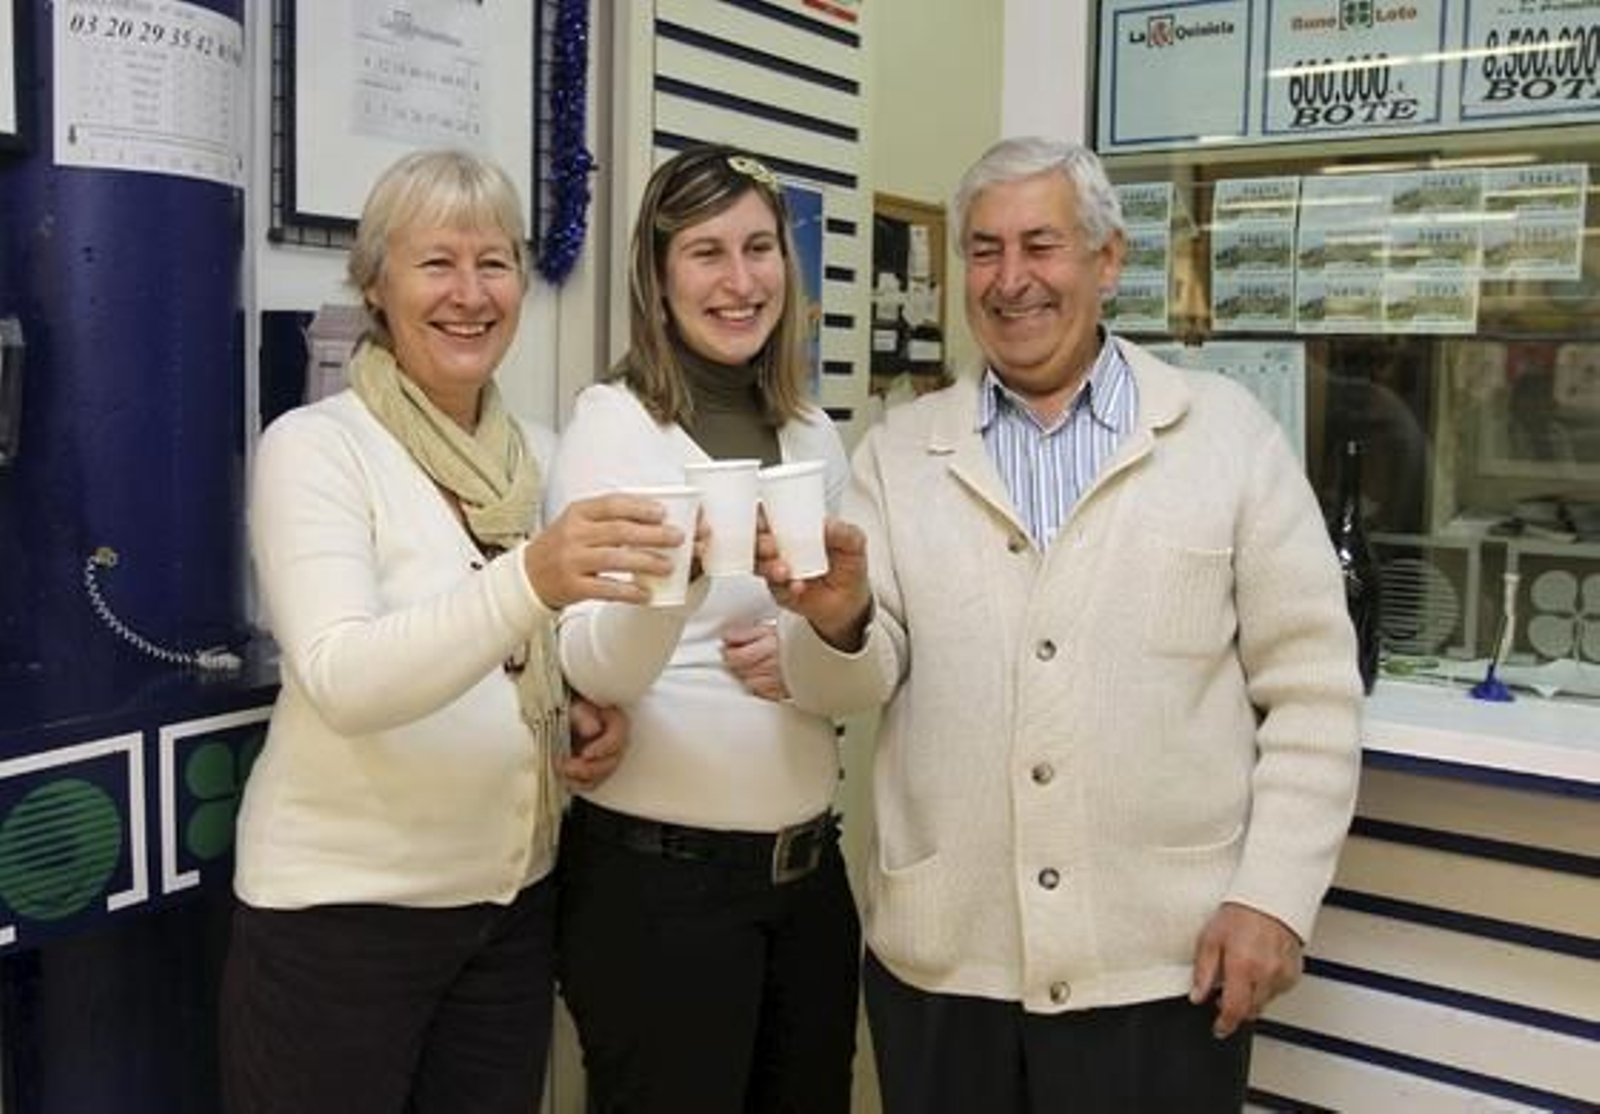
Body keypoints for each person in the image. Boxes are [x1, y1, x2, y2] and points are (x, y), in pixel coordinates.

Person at [761, 136, 1364, 1112]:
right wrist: (837, 623)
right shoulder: (900, 453)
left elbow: (1314, 693)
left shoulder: (1224, 438)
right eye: (985, 251)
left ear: (1106, 259)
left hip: (1164, 970)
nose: (1010, 281)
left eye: (1039, 245)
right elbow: (847, 685)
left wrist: (1271, 896)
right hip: (947, 974)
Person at [220, 149, 685, 1114]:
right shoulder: (317, 448)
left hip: (510, 913)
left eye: (496, 262)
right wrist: (533, 578)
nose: (470, 294)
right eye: (437, 263)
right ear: (377, 285)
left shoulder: (543, 458)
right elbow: (343, 678)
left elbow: (526, 653)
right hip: (341, 923)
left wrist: (583, 703)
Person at [545, 144, 860, 1113]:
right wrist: (667, 582)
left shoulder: (813, 431)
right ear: (658, 273)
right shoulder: (614, 423)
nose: (739, 280)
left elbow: (862, 677)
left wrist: (823, 642)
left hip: (808, 885)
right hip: (659, 894)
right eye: (707, 252)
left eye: (759, 248)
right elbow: (589, 663)